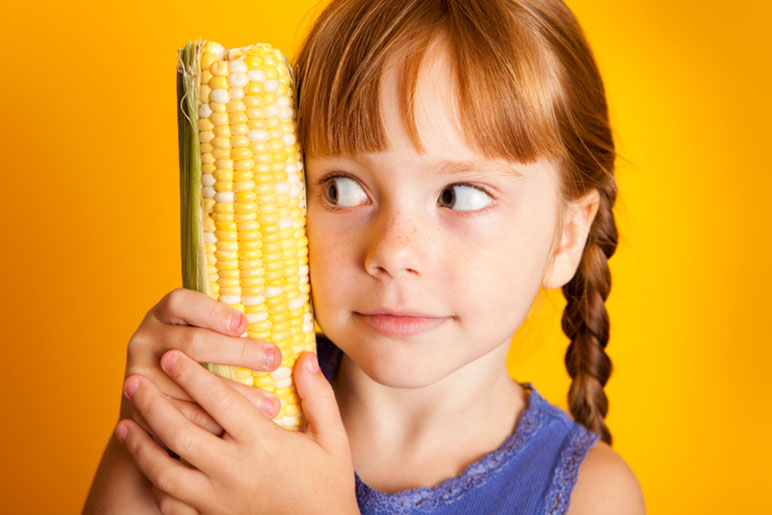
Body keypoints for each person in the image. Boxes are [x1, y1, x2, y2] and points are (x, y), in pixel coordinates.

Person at [84, 0, 646, 512]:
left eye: (459, 196)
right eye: (343, 189)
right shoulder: (229, 421)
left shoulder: (590, 497)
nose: (392, 252)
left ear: (567, 235)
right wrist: (153, 430)